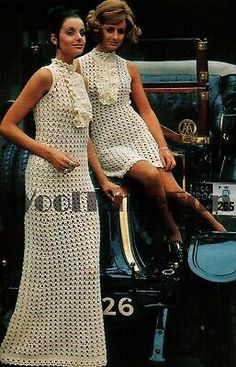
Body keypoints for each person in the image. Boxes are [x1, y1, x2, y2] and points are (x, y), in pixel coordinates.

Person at [77, 0, 226, 263]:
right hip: (107, 142)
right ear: (98, 28)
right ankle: (173, 232)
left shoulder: (129, 67)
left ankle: (222, 231)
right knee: (147, 174)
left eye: (121, 31)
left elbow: (146, 112)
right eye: (110, 29)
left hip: (136, 134)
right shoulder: (79, 67)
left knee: (175, 192)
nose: (115, 36)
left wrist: (163, 146)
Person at [0, 6, 107, 367]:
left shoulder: (80, 75)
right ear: (54, 39)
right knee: (48, 264)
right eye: (70, 32)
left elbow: (86, 135)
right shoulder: (45, 75)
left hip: (80, 181)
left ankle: (78, 348)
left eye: (81, 33)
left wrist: (103, 179)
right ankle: (33, 347)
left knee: (84, 265)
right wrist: (49, 153)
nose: (79, 38)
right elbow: (8, 126)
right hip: (47, 179)